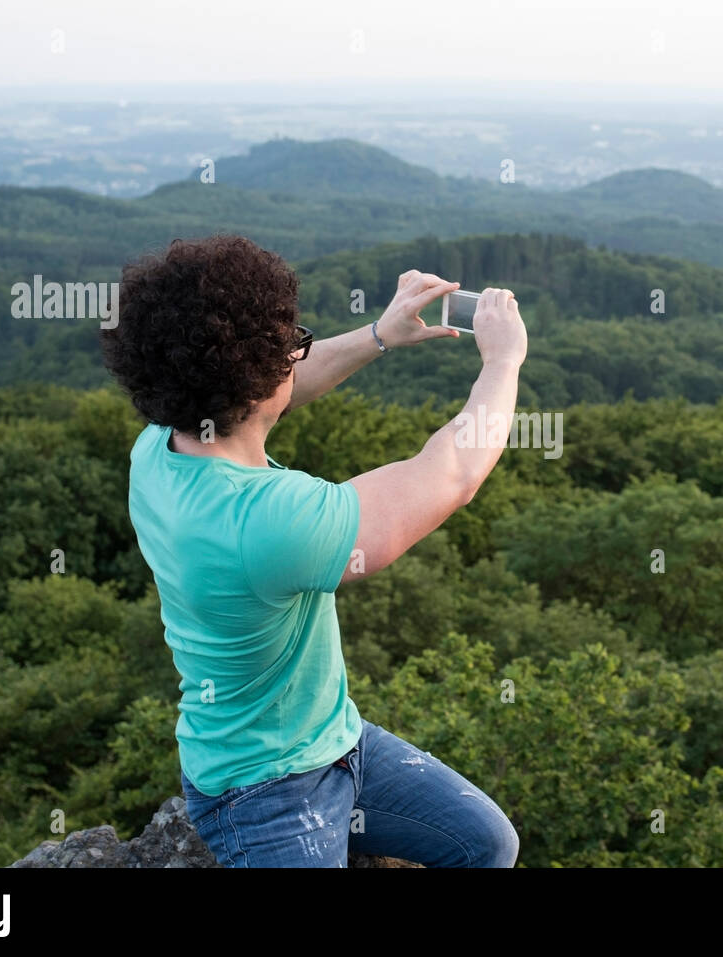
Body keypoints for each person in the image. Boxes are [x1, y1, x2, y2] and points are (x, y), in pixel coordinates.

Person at [100, 234, 525, 868]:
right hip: (258, 791)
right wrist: (503, 362)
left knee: (486, 842)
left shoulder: (162, 444)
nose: (298, 356)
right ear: (255, 381)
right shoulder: (272, 518)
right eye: (290, 344)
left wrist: (380, 335)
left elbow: (275, 386)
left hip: (337, 739)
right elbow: (452, 476)